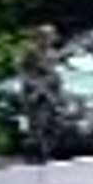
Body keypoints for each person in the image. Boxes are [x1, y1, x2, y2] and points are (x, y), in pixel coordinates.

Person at [19, 24, 63, 164]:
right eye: (46, 36)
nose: (50, 39)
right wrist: (33, 87)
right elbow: (24, 72)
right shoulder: (31, 52)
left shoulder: (53, 53)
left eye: (51, 36)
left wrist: (57, 89)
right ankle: (36, 154)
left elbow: (54, 72)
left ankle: (47, 150)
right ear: (39, 37)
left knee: (54, 123)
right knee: (37, 125)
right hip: (36, 93)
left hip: (51, 93)